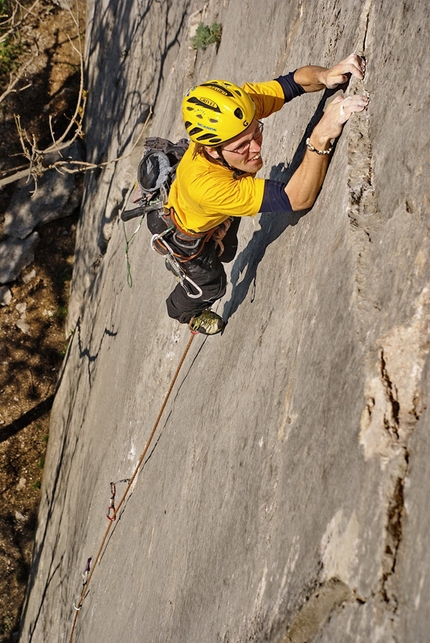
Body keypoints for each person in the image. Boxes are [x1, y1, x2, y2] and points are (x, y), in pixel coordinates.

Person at [153, 53, 368, 335]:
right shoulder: (207, 185)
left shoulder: (239, 115)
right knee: (212, 282)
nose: (255, 148)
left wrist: (324, 76)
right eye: (242, 146)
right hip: (187, 234)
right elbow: (297, 198)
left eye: (257, 133)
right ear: (211, 149)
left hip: (207, 209)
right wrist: (320, 136)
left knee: (228, 249)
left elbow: (291, 83)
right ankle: (185, 314)